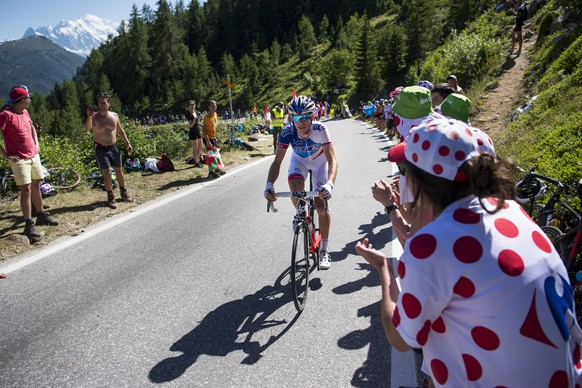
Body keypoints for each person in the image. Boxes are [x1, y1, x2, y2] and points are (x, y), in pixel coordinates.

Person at [356, 118, 582, 386]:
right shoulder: (511, 211)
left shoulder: (431, 245)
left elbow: (400, 337)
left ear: (419, 181)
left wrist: (385, 270)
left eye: (404, 171)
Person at [264, 96, 338, 270]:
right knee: (297, 192)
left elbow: (332, 160)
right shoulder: (287, 131)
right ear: (292, 118)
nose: (301, 122)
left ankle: (324, 251)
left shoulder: (321, 129)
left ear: (312, 116)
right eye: (296, 118)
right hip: (300, 162)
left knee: (321, 205)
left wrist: (329, 184)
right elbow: (277, 162)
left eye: (305, 117)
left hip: (320, 163)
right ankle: (300, 213)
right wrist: (269, 184)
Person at [0, 85, 58, 238]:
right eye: (28, 98)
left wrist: (36, 143)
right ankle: (28, 224)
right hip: (19, 159)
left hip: (33, 155)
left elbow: (31, 127)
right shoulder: (5, 115)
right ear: (21, 100)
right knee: (25, 190)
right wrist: (5, 155)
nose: (30, 100)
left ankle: (41, 215)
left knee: (37, 184)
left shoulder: (24, 111)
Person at [84, 92, 133, 209]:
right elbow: (87, 129)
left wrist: (128, 143)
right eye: (99, 102)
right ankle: (111, 197)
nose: (101, 105)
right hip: (100, 148)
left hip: (114, 146)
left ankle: (124, 192)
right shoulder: (94, 117)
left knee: (119, 170)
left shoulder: (114, 116)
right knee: (107, 172)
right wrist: (89, 118)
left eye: (104, 102)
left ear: (109, 103)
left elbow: (120, 131)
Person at [202, 99, 225, 177]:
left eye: (215, 105)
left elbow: (214, 127)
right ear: (209, 107)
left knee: (216, 154)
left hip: (213, 137)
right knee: (211, 155)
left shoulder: (215, 114)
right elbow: (204, 131)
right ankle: (211, 173)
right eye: (212, 106)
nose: (214, 107)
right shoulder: (207, 117)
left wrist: (217, 136)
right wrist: (208, 141)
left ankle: (217, 170)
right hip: (207, 138)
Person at [187, 100, 203, 167]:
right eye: (191, 105)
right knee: (195, 148)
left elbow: (196, 122)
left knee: (200, 146)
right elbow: (191, 125)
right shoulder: (188, 114)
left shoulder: (195, 112)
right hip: (193, 132)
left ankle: (197, 159)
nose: (192, 106)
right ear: (188, 106)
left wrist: (201, 124)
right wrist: (194, 118)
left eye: (193, 104)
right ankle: (196, 162)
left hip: (198, 130)